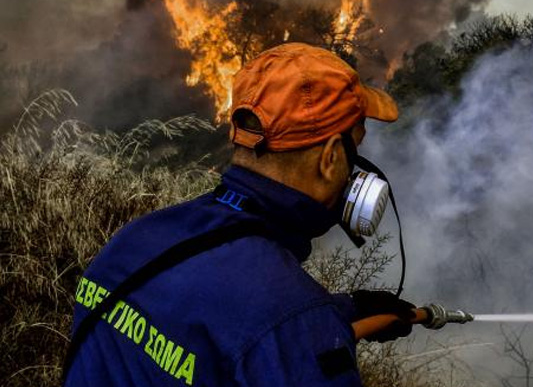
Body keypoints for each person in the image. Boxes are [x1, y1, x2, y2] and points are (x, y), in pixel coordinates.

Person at [65, 42, 416, 386]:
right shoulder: (294, 324)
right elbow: (266, 328)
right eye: (357, 145)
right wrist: (315, 329)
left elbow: (203, 319)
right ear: (330, 158)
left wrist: (339, 312)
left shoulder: (132, 241)